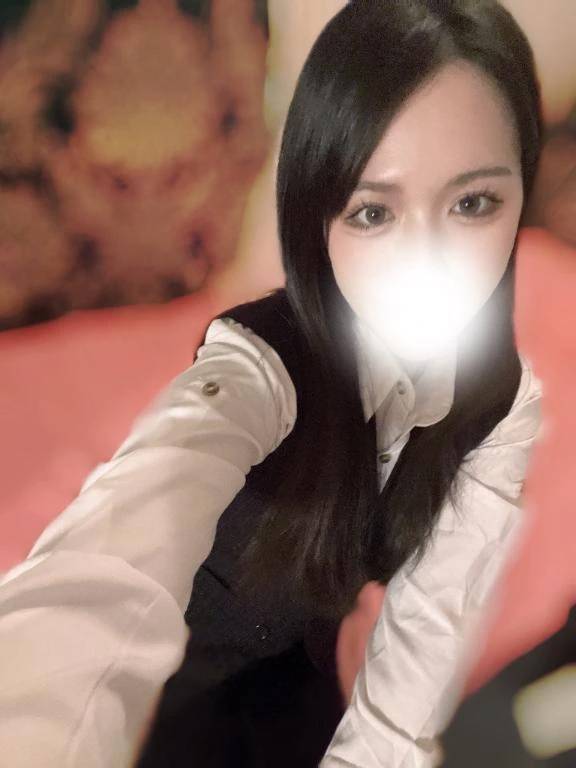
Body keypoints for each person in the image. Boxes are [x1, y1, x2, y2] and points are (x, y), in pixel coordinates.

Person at [0, 1, 545, 766]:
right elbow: (107, 564)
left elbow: (421, 649)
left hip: (307, 701)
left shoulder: (503, 401)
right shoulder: (257, 363)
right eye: (373, 212)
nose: (429, 262)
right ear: (314, 214)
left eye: (473, 203)